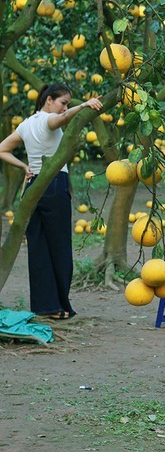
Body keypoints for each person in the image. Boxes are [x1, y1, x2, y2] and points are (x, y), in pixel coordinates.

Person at [0, 83, 103, 319]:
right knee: (59, 247)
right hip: (54, 184)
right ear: (48, 100)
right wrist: (84, 105)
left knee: (38, 248)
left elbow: (2, 149)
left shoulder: (25, 124)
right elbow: (60, 120)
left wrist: (24, 166)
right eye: (63, 102)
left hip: (32, 188)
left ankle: (45, 306)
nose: (64, 107)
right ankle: (59, 306)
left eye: (67, 103)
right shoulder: (47, 120)